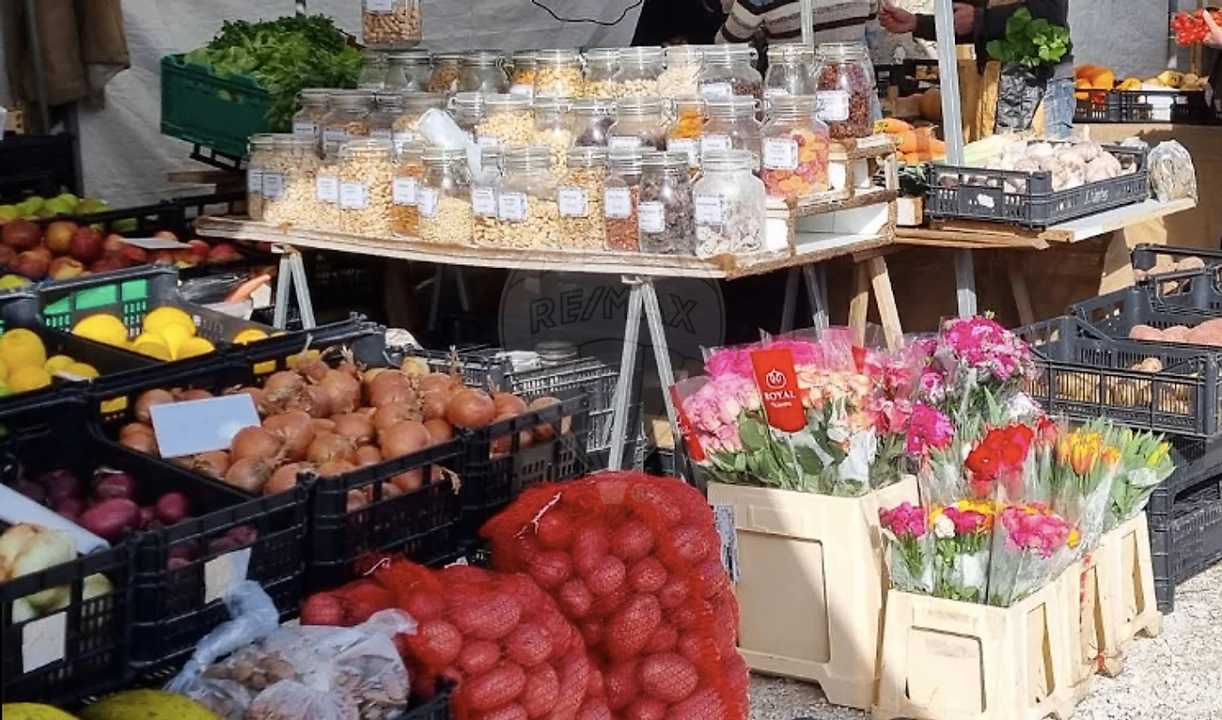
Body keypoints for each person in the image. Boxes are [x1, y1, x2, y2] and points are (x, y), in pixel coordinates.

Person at [879, 0, 1075, 138]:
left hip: (1043, 88)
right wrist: (918, 23)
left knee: (1046, 174)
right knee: (1003, 176)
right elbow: (969, 23)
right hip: (995, 90)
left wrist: (980, 18)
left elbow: (1051, 14)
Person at [715, 0, 881, 49]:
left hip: (793, 104)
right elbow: (872, 38)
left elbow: (726, 45)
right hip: (857, 96)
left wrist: (761, 37)